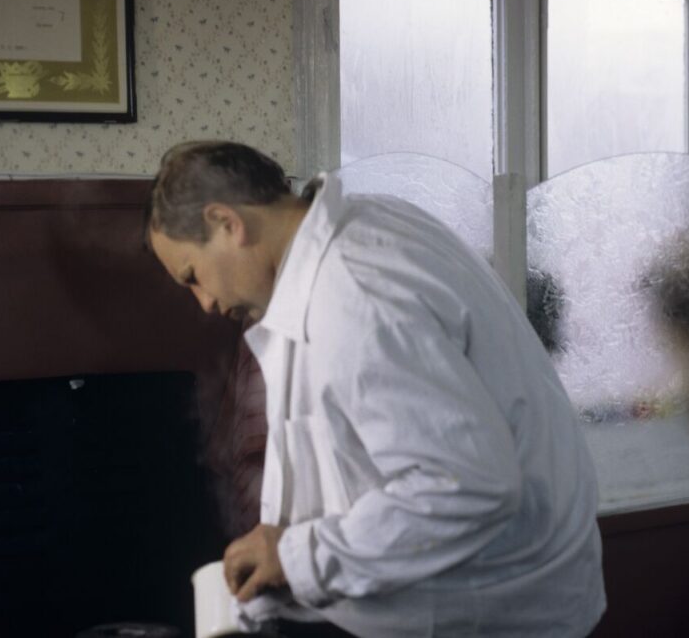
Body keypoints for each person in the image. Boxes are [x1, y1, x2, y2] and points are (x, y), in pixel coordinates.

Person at [145, 141, 606, 637]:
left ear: (226, 222)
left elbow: (467, 486)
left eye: (193, 276)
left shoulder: (352, 293)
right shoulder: (367, 224)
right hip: (511, 589)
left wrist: (296, 555)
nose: (205, 303)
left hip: (494, 611)